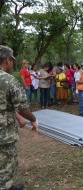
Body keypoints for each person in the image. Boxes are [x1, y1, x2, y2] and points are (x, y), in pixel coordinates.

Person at [0, 45, 38, 190]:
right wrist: (33, 119)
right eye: (12, 61)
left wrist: (18, 117)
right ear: (7, 60)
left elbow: (5, 103)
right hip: (4, 132)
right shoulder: (8, 81)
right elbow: (22, 108)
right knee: (7, 163)